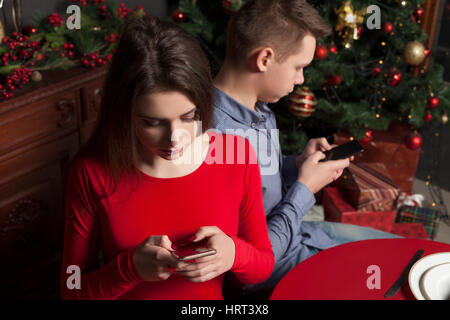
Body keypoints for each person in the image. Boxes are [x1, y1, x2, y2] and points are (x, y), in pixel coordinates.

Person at [60, 15, 274, 300]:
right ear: (124, 113)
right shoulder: (91, 171)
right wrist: (129, 268)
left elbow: (263, 265)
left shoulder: (236, 156)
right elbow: (71, 289)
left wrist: (234, 253)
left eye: (188, 117)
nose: (175, 137)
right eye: (152, 122)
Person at [211, 0, 400, 297]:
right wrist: (305, 189)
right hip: (276, 269)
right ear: (264, 59)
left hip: (302, 235)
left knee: (396, 249)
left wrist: (297, 163)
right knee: (385, 280)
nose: (301, 80)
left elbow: (260, 184)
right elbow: (250, 265)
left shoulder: (259, 106)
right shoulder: (218, 141)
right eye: (299, 67)